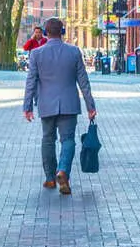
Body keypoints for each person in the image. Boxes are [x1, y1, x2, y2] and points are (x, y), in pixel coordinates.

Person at [22, 17, 96, 195]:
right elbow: (83, 82)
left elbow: (31, 81)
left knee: (48, 139)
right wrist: (90, 106)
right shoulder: (74, 52)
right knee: (68, 140)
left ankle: (49, 178)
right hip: (69, 104)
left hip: (46, 104)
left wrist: (27, 107)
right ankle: (63, 171)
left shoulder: (37, 54)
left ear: (46, 33)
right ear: (62, 32)